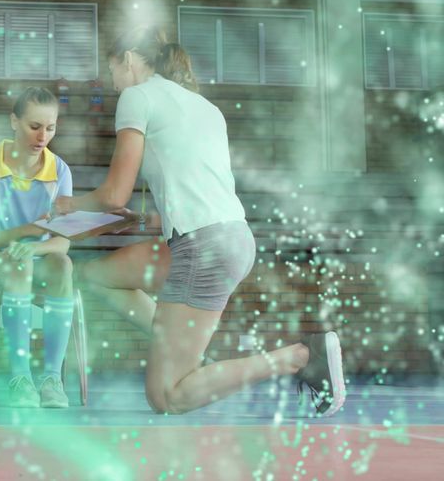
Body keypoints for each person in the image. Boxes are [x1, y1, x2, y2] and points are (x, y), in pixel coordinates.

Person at [58, 26, 345, 417]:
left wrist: (67, 206)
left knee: (167, 397)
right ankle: (183, 350)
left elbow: (112, 195)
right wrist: (142, 218)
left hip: (203, 248)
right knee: (96, 276)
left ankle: (298, 357)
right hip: (230, 237)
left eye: (112, 71)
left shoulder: (136, 96)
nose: (112, 84)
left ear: (127, 60)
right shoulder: (205, 108)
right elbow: (201, 194)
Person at [0, 87, 75, 408]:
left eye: (50, 128)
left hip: (33, 259)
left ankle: (52, 378)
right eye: (34, 126)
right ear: (14, 121)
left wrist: (32, 248)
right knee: (19, 265)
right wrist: (24, 235)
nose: (42, 136)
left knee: (63, 265)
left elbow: (62, 242)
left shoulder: (60, 170)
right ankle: (19, 377)